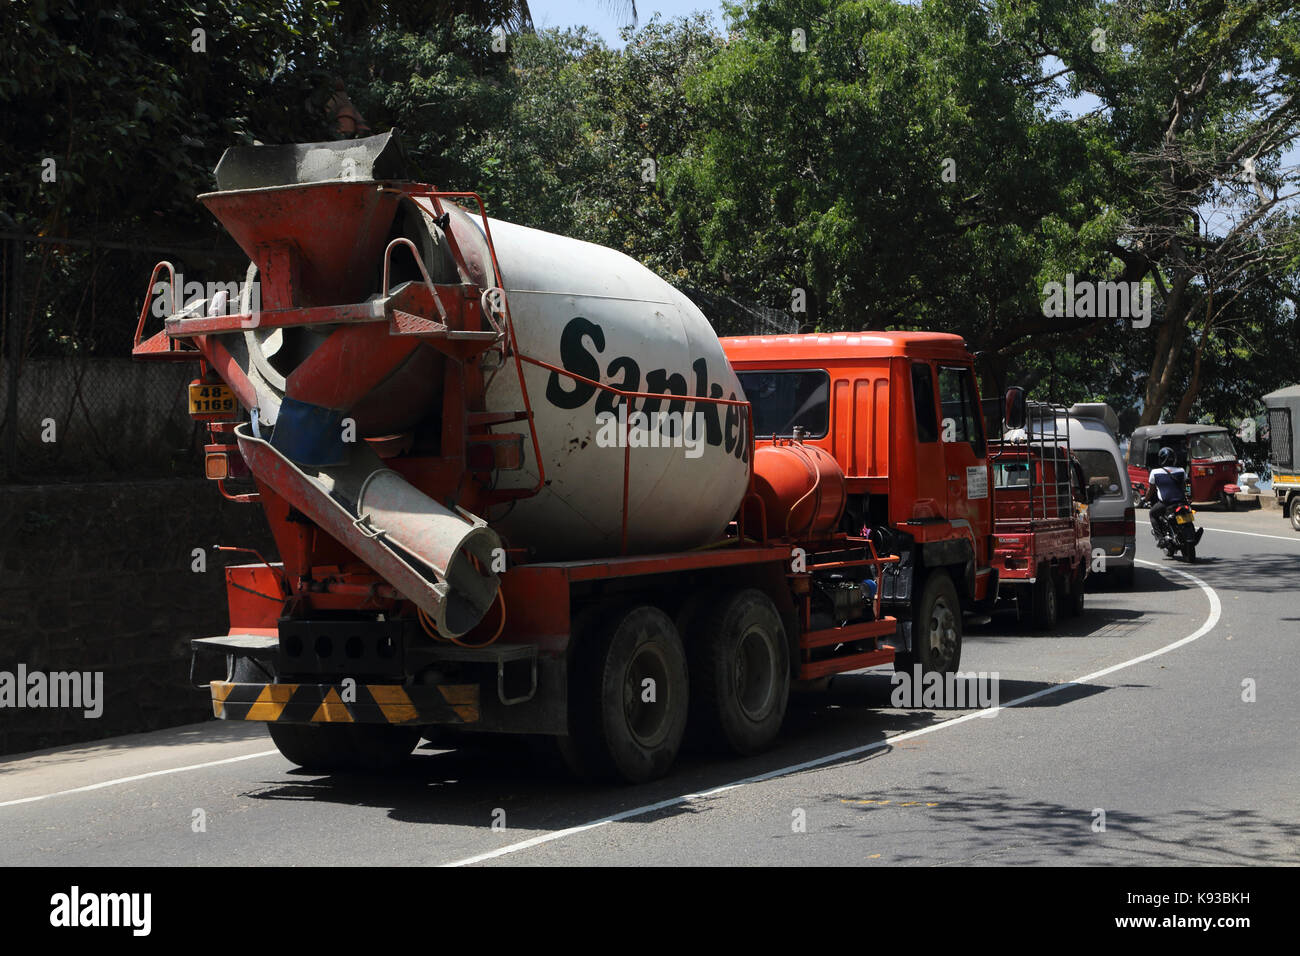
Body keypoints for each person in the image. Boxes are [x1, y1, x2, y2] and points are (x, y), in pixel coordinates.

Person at [1142, 446, 1187, 536]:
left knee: (1152, 514)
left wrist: (1145, 499)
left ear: (1161, 459)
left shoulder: (1155, 472)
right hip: (1182, 502)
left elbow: (1151, 490)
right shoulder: (1181, 471)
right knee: (1186, 515)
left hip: (1166, 503)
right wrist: (1188, 496)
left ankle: (1160, 538)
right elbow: (1185, 486)